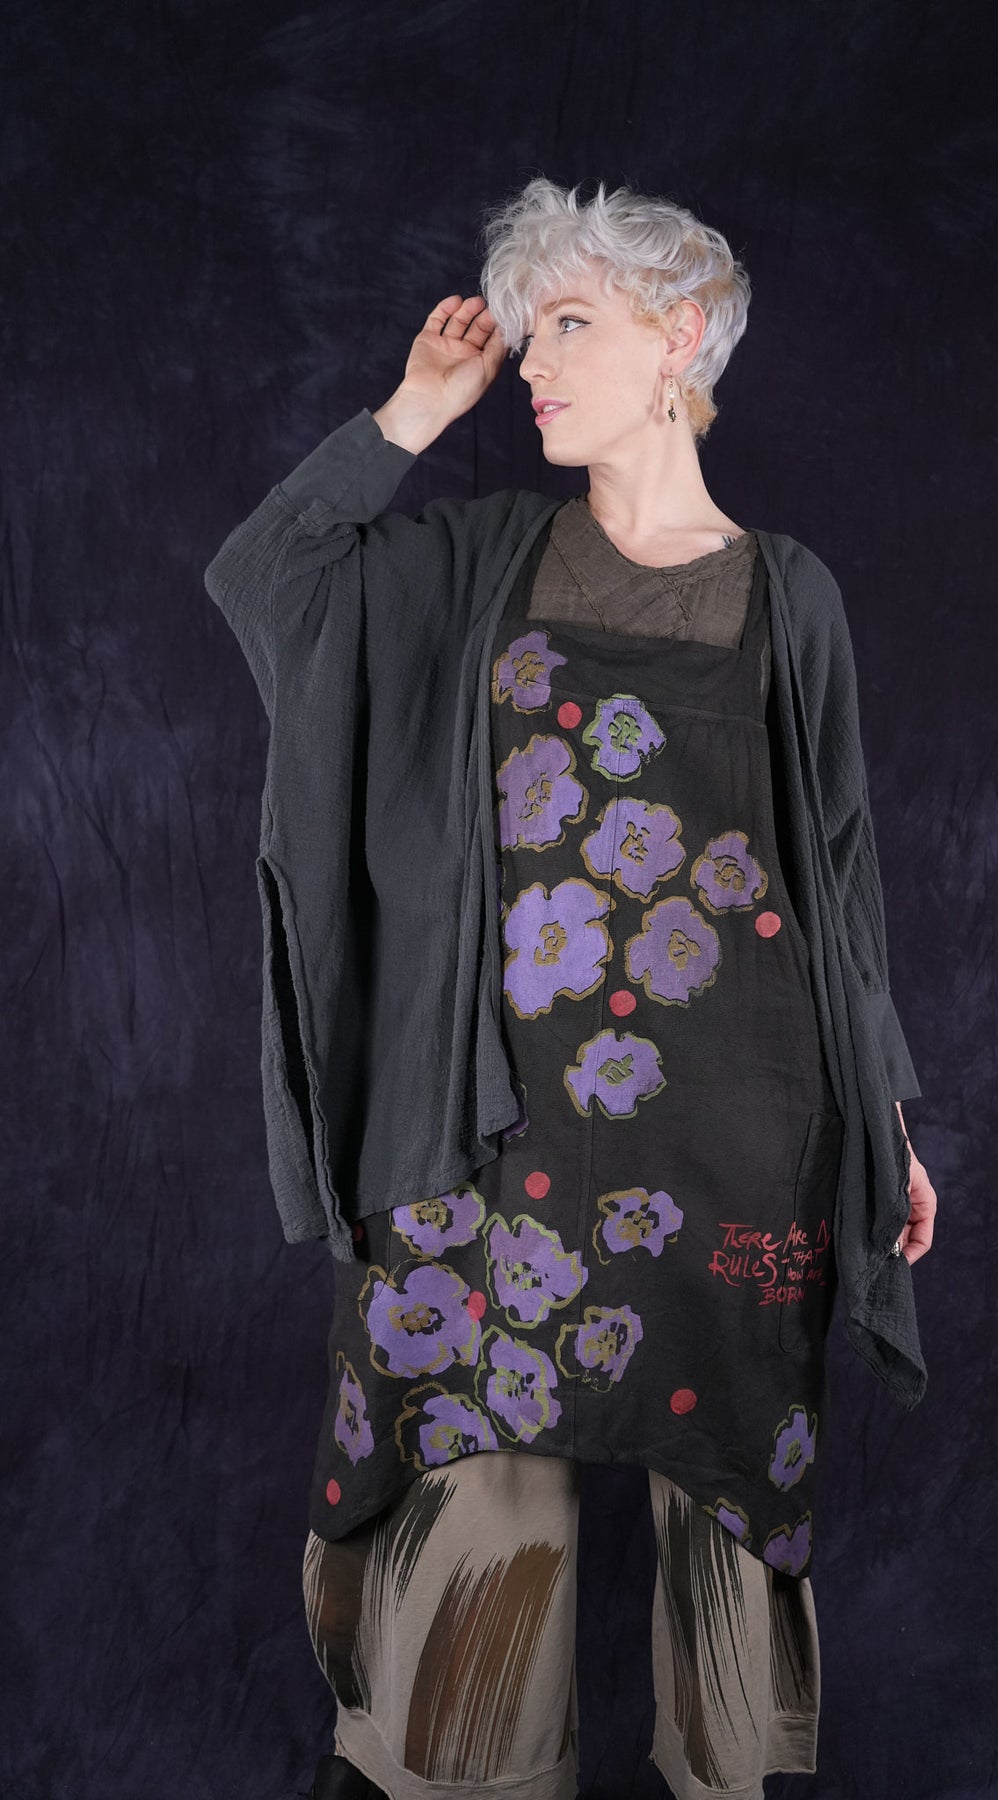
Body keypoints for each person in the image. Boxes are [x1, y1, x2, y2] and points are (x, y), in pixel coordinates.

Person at [204, 176, 937, 1800]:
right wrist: (413, 411)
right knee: (472, 1566)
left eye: (571, 325)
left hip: (737, 1153)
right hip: (480, 1156)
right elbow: (270, 578)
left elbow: (838, 882)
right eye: (527, 333)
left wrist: (889, 1122)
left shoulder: (789, 595)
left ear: (683, 335)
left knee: (728, 1549)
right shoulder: (471, 564)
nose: (531, 363)